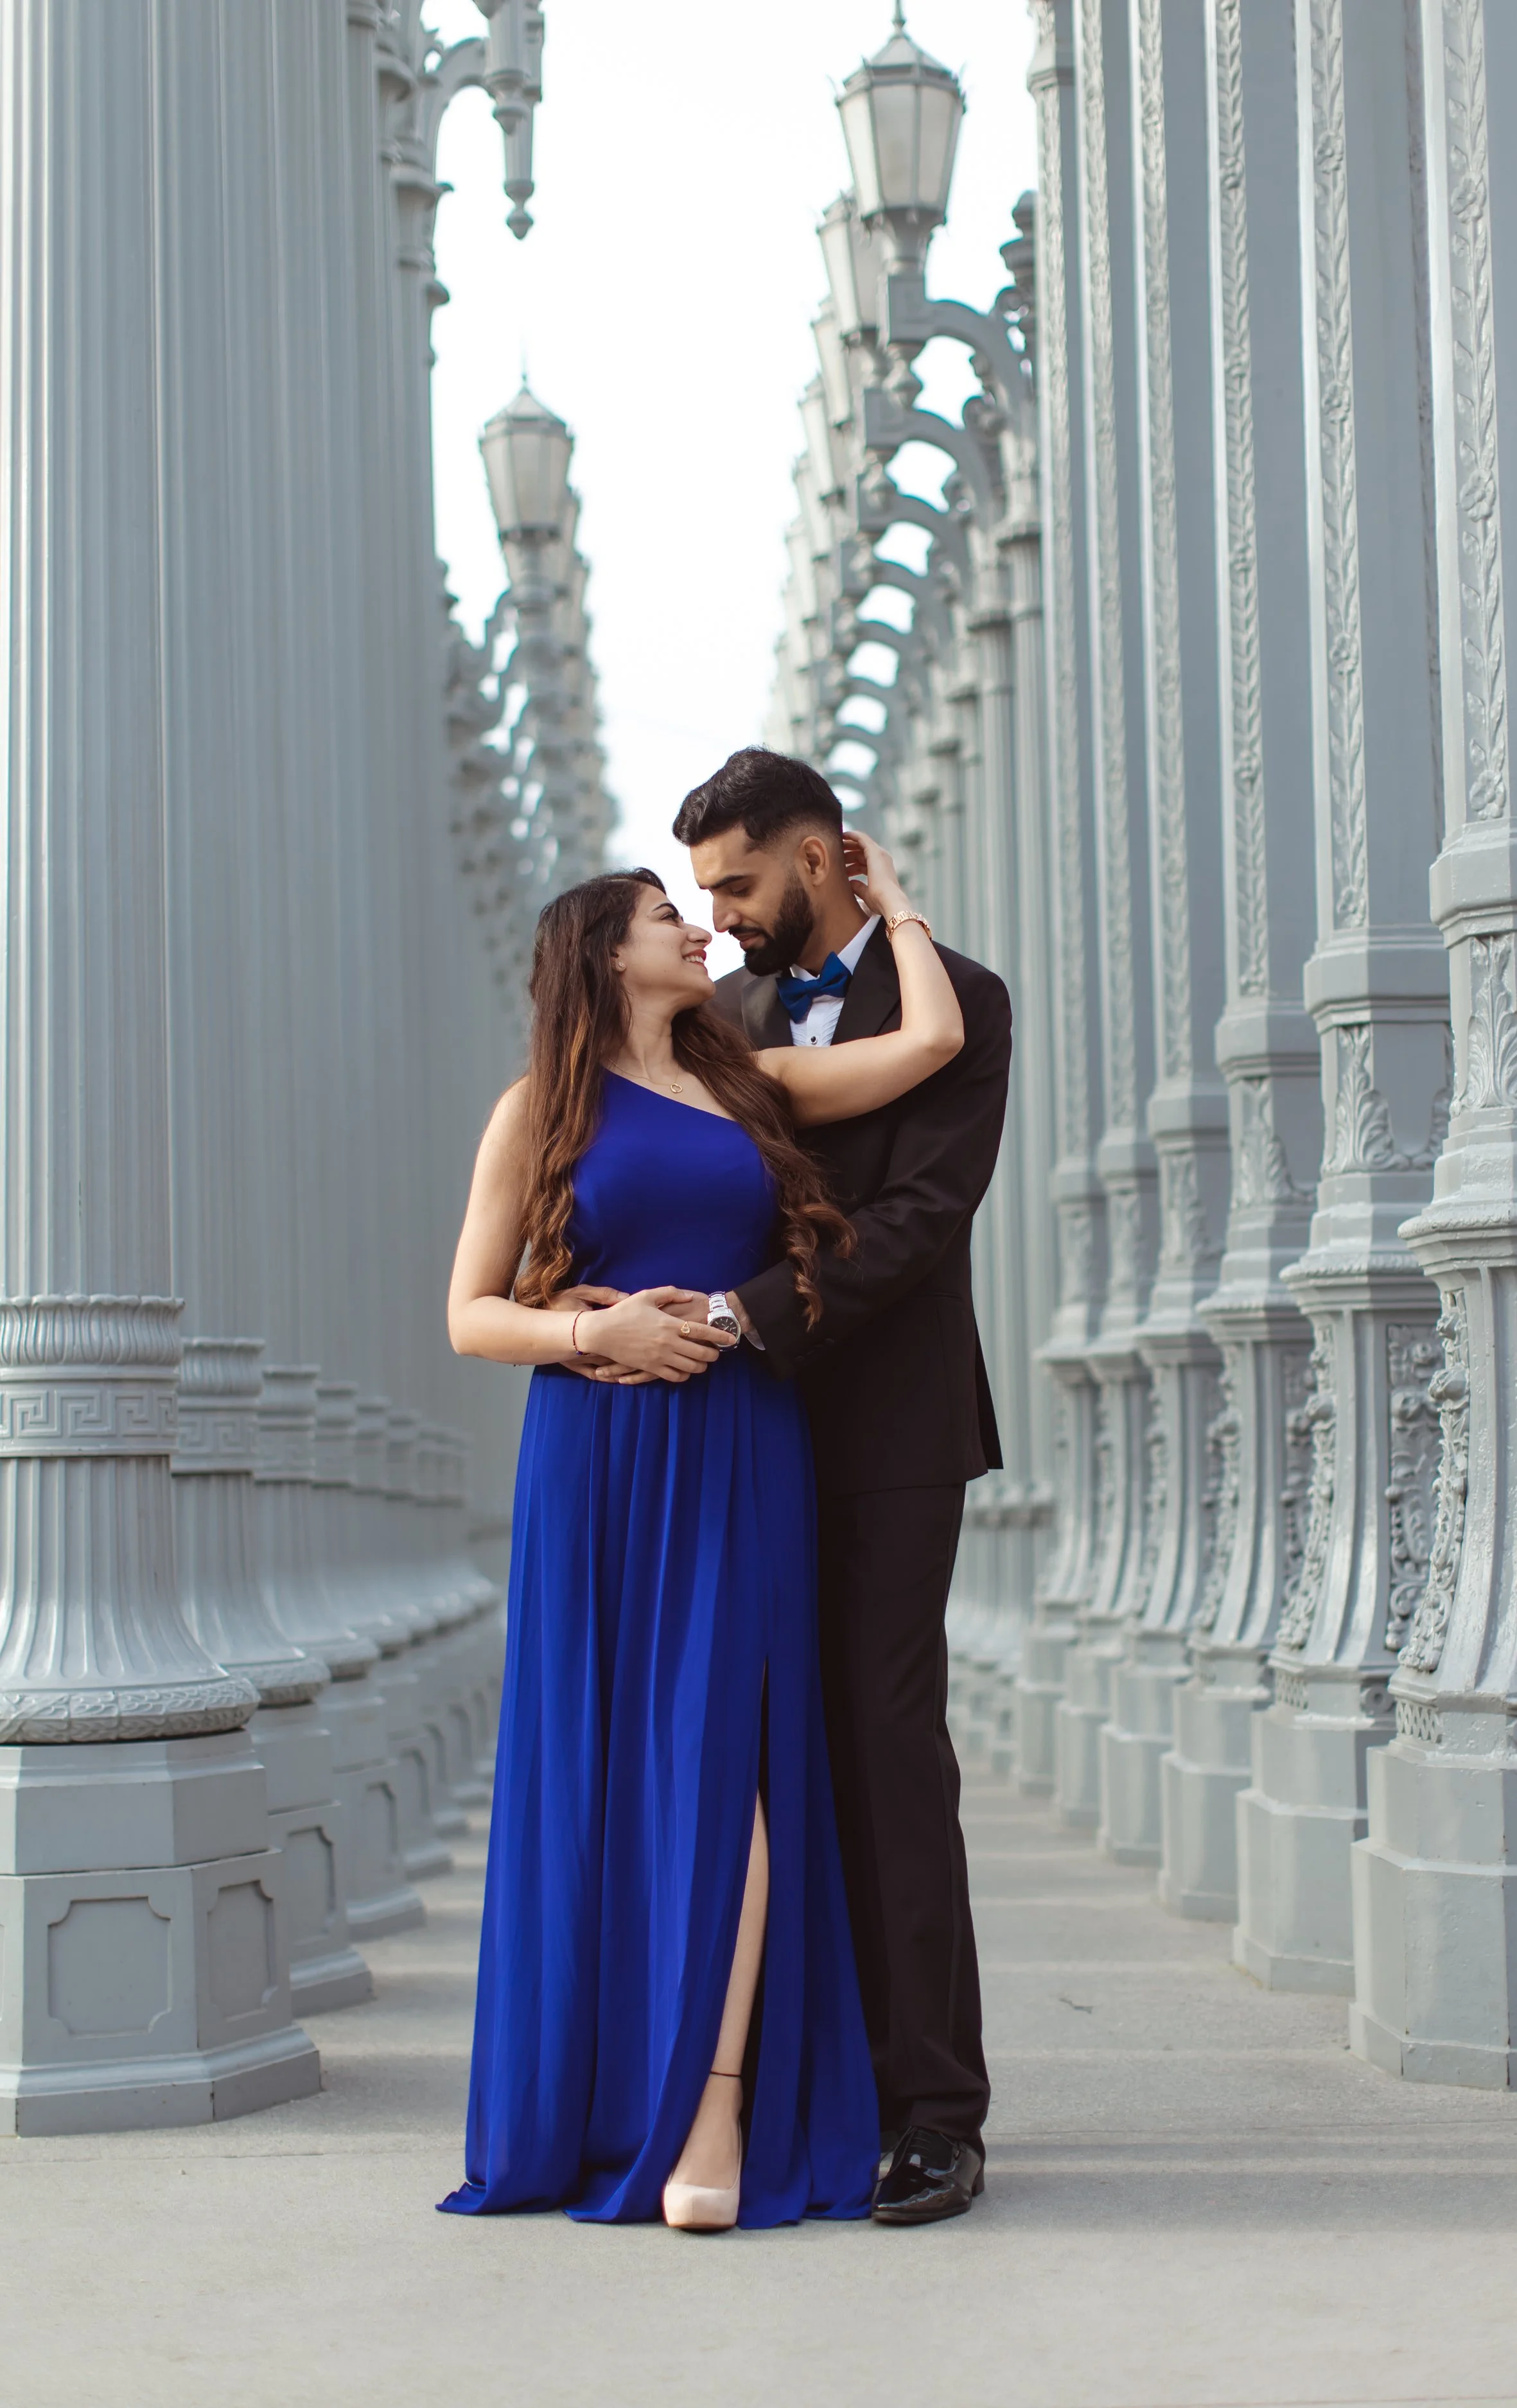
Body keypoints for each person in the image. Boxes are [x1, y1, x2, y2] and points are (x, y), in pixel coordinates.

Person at [438, 828, 963, 2231]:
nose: (699, 929)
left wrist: (891, 902)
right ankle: (615, 2097)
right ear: (599, 955)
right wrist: (588, 1328)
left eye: (704, 903)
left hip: (737, 1447)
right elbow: (468, 1315)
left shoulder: (752, 1086)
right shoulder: (533, 1114)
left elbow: (925, 1046)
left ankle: (715, 2102)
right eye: (665, 914)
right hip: (598, 1451)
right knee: (613, 1764)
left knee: (726, 1761)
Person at [673, 747, 1011, 2228]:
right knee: (755, 1756)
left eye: (738, 882)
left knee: (883, 1751)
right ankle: (799, 2093)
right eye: (700, 894)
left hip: (885, 1434)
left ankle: (934, 2112)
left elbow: (923, 1218)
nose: (724, 914)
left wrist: (746, 1316)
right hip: (736, 1436)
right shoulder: (728, 1019)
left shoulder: (965, 1005)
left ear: (817, 859)